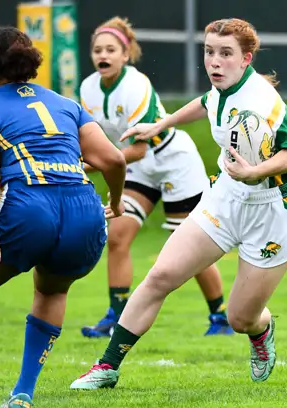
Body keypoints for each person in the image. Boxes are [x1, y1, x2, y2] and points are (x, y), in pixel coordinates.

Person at [70, 17, 287, 389]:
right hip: (226, 199)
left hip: (271, 211)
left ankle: (261, 331)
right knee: (160, 276)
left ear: (246, 59)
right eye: (209, 52)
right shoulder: (223, 88)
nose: (214, 61)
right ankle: (107, 367)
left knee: (240, 318)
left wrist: (254, 172)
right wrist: (158, 125)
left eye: (225, 54)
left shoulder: (263, 102)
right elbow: (205, 103)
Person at [0, 26, 127, 408]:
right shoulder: (65, 104)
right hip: (84, 210)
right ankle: (22, 395)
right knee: (51, 291)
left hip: (27, 206)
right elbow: (113, 159)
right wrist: (113, 203)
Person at [78, 17, 232, 338]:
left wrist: (85, 167)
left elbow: (137, 149)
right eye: (97, 50)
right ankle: (115, 318)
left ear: (126, 54)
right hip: (138, 168)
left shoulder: (136, 85)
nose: (102, 55)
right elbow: (98, 142)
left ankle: (220, 317)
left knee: (190, 247)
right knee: (117, 236)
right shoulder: (88, 88)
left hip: (174, 161)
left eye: (111, 49)